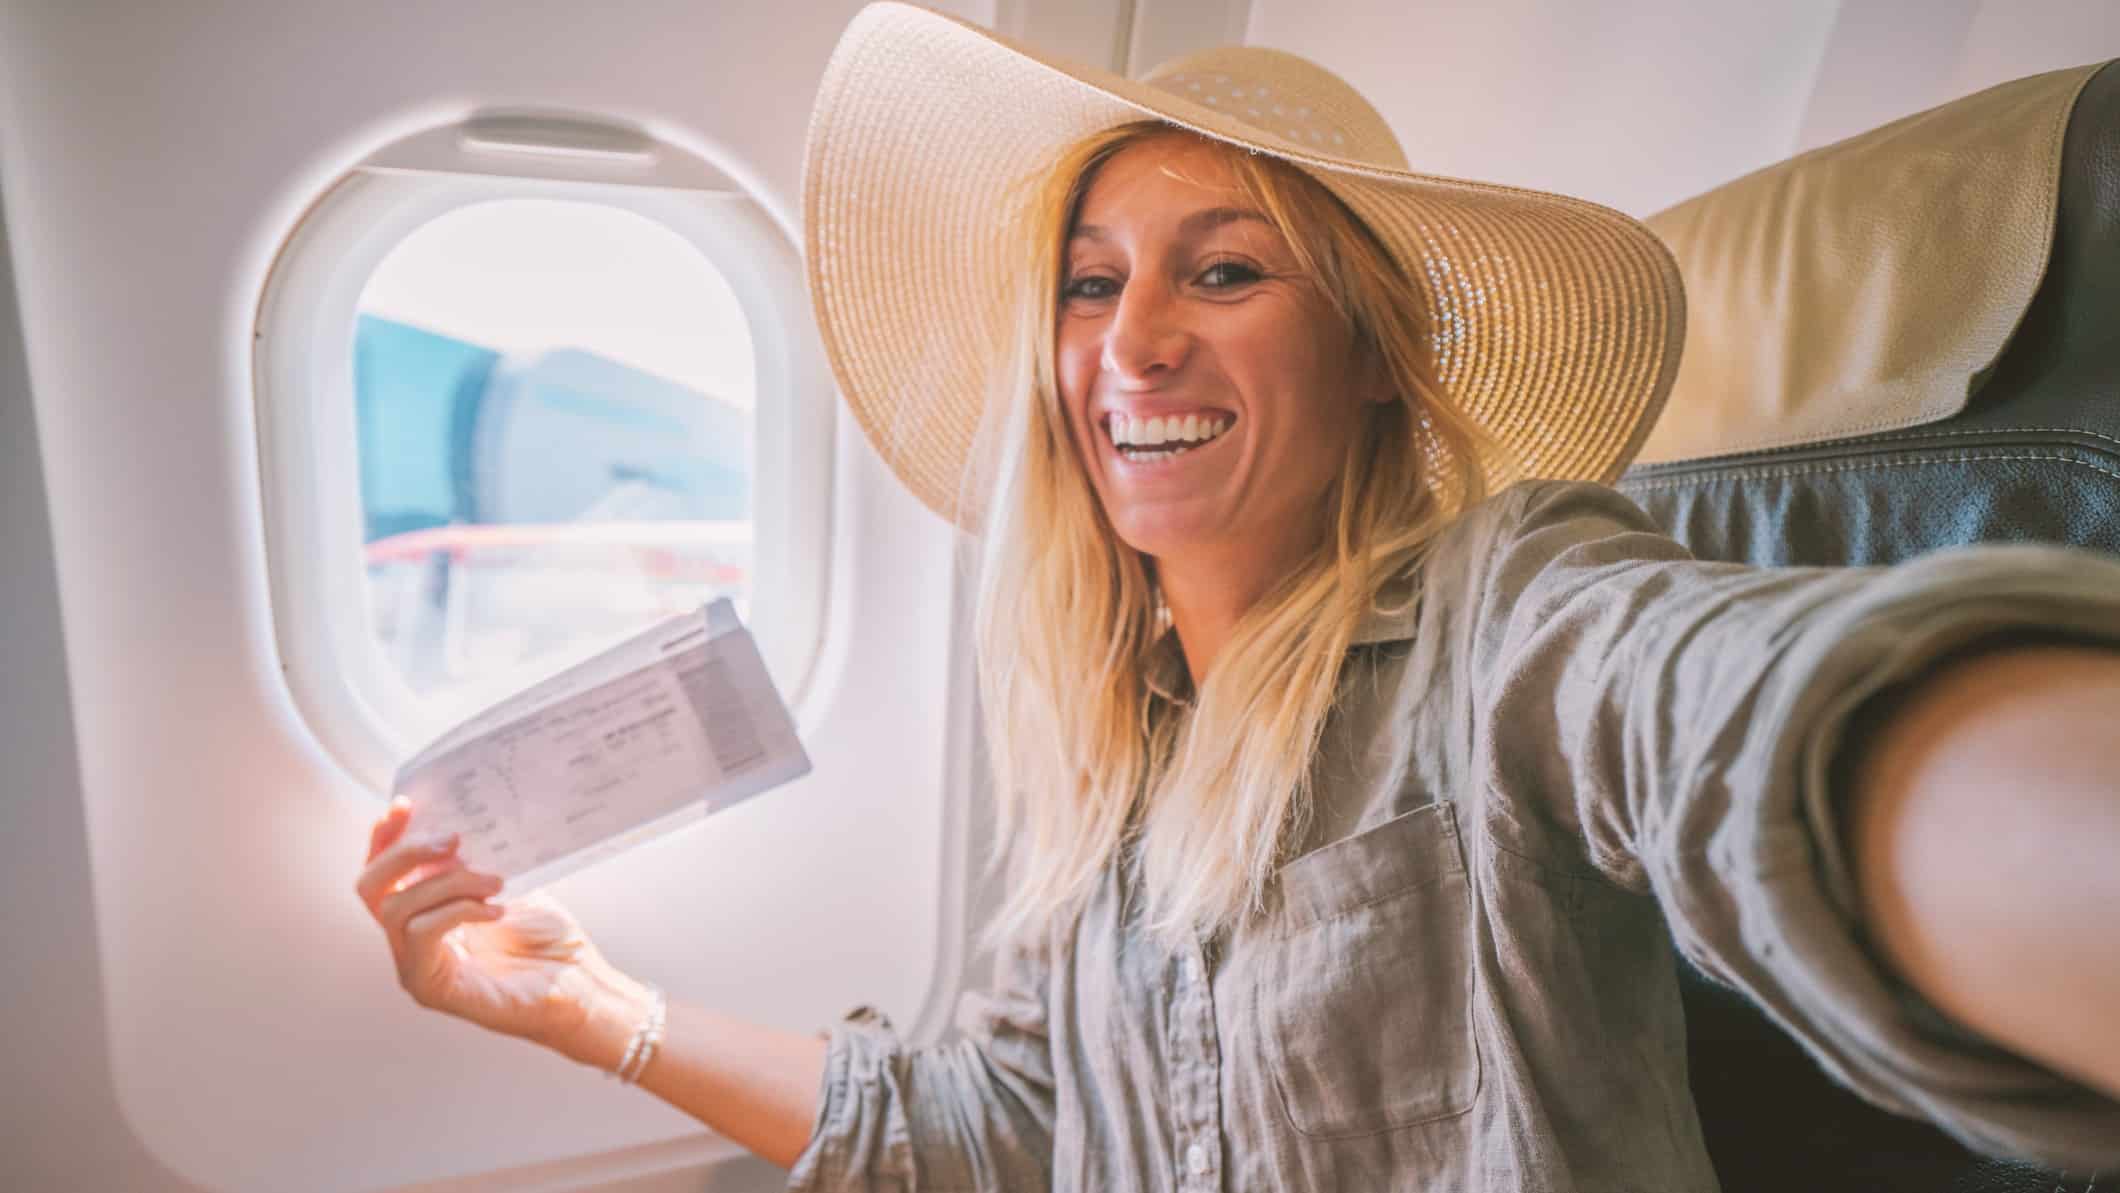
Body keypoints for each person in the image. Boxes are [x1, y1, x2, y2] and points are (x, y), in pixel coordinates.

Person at [355, 4, 2120, 1188]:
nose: (1132, 342)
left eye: (1223, 270)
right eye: (1091, 280)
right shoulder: (1113, 769)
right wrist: (591, 1008)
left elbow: (1743, 724)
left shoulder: (1500, 607)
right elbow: (998, 1118)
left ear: (1368, 351)